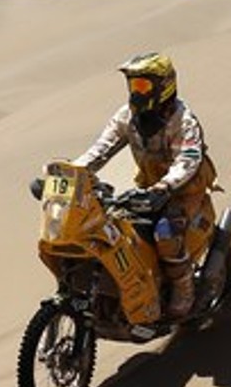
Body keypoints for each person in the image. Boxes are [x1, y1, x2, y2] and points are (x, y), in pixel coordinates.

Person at [73, 51, 217, 320]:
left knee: (165, 231)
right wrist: (73, 172)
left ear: (164, 86)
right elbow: (101, 149)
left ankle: (183, 288)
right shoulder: (127, 116)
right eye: (133, 85)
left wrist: (165, 187)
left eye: (142, 85)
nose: (136, 93)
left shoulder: (182, 120)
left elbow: (188, 160)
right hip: (149, 188)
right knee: (114, 226)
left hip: (185, 190)